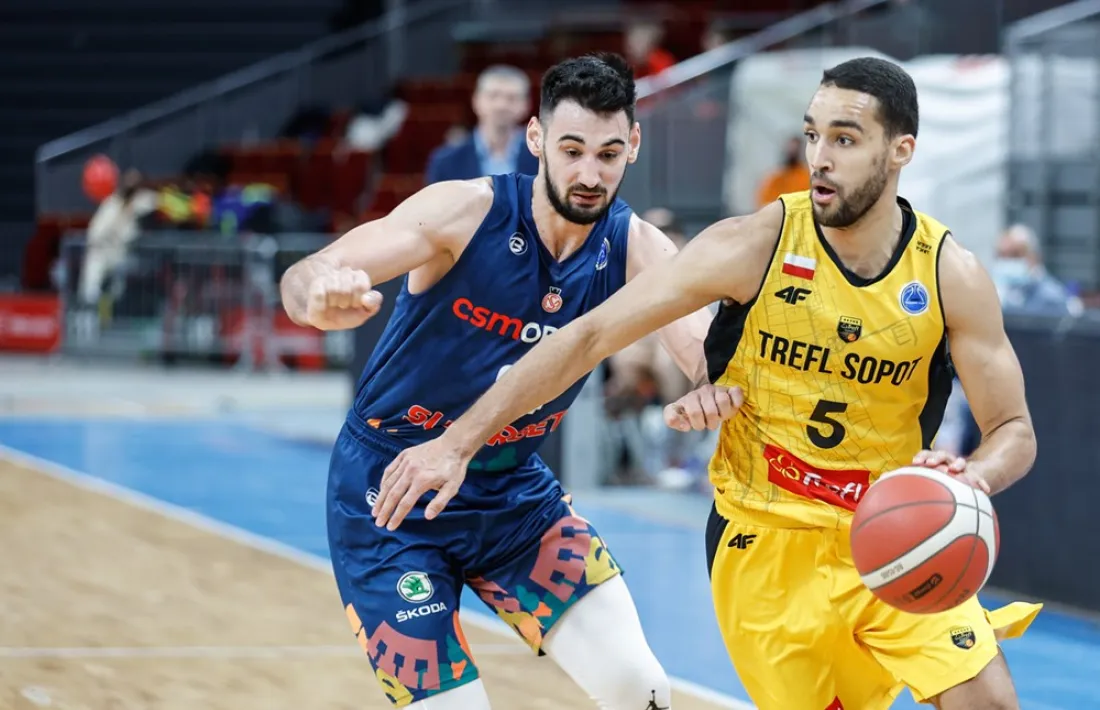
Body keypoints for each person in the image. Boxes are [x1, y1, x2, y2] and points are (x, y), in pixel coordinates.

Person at [373, 57, 1046, 710]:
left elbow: (1012, 430)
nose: (820, 157)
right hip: (765, 542)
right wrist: (458, 441)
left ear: (901, 150)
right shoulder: (755, 244)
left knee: (988, 700)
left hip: (895, 533)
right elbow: (587, 337)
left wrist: (971, 478)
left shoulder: (948, 273)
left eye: (845, 139)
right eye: (813, 134)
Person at [280, 53, 734, 710]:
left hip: (514, 494)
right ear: (536, 140)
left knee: (641, 687)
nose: (588, 174)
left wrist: (713, 386)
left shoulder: (637, 246)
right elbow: (314, 269)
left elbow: (705, 354)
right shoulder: (466, 210)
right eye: (572, 150)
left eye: (607, 154)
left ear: (633, 146)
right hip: (393, 490)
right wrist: (316, 295)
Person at [424, 64, 539, 184]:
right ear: (475, 100)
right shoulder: (446, 161)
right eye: (493, 96)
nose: (501, 105)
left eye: (512, 98)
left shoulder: (541, 159)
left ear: (527, 105)